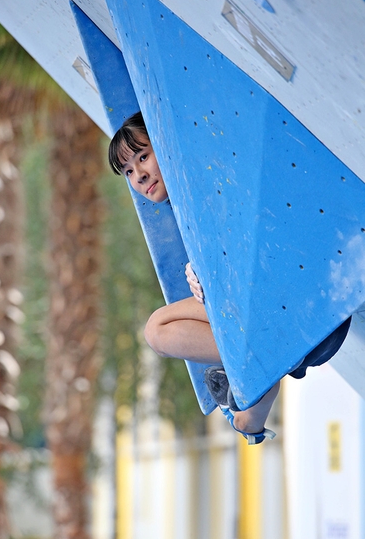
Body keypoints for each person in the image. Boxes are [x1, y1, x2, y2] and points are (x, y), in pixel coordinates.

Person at [108, 111, 351, 445]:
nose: (139, 175)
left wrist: (198, 268)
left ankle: (252, 368)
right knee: (244, 414)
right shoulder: (184, 204)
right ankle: (252, 383)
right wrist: (196, 269)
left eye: (143, 156)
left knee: (156, 329)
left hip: (290, 303)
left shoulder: (199, 177)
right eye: (129, 171)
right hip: (280, 321)